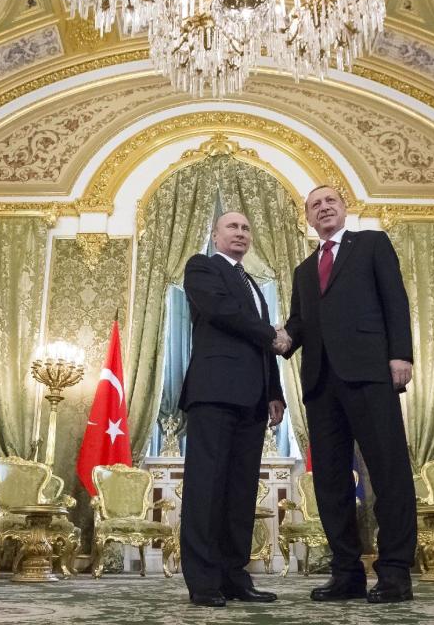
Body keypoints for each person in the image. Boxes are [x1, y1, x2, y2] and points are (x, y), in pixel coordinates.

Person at [277, 185, 417, 603]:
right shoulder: (304, 270)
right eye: (315, 205)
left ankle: (394, 572)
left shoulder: (371, 243)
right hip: (321, 383)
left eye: (329, 201)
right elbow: (298, 324)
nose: (323, 208)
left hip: (370, 373)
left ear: (343, 208)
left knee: (388, 473)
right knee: (331, 483)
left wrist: (400, 355)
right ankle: (346, 573)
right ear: (308, 218)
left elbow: (395, 299)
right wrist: (277, 338)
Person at [178, 212, 288, 606]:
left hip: (254, 399)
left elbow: (261, 346)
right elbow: (223, 311)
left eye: (245, 228)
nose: (240, 233)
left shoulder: (254, 285)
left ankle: (233, 576)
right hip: (214, 394)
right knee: (206, 490)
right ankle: (204, 583)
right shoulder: (202, 267)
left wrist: (275, 391)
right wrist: (273, 334)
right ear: (215, 234)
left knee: (240, 492)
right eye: (232, 227)